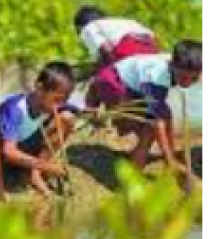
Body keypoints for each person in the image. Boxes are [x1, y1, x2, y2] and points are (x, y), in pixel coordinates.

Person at [86, 40, 201, 175]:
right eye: (183, 77)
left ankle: (161, 159)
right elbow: (156, 121)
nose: (187, 82)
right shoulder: (158, 76)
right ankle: (142, 170)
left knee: (163, 116)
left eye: (193, 79)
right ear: (173, 65)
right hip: (113, 83)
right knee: (149, 128)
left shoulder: (179, 67)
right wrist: (168, 160)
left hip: (131, 85)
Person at [0, 62, 78, 200]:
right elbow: (9, 152)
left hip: (26, 151)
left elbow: (76, 110)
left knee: (67, 118)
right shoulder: (15, 109)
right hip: (2, 156)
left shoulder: (51, 104)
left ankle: (35, 174)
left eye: (64, 100)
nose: (60, 105)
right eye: (57, 99)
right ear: (39, 89)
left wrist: (94, 112)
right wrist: (47, 166)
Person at [74, 5, 160, 69]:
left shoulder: (88, 28)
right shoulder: (128, 22)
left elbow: (106, 51)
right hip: (152, 52)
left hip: (130, 53)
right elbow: (153, 38)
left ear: (79, 27)